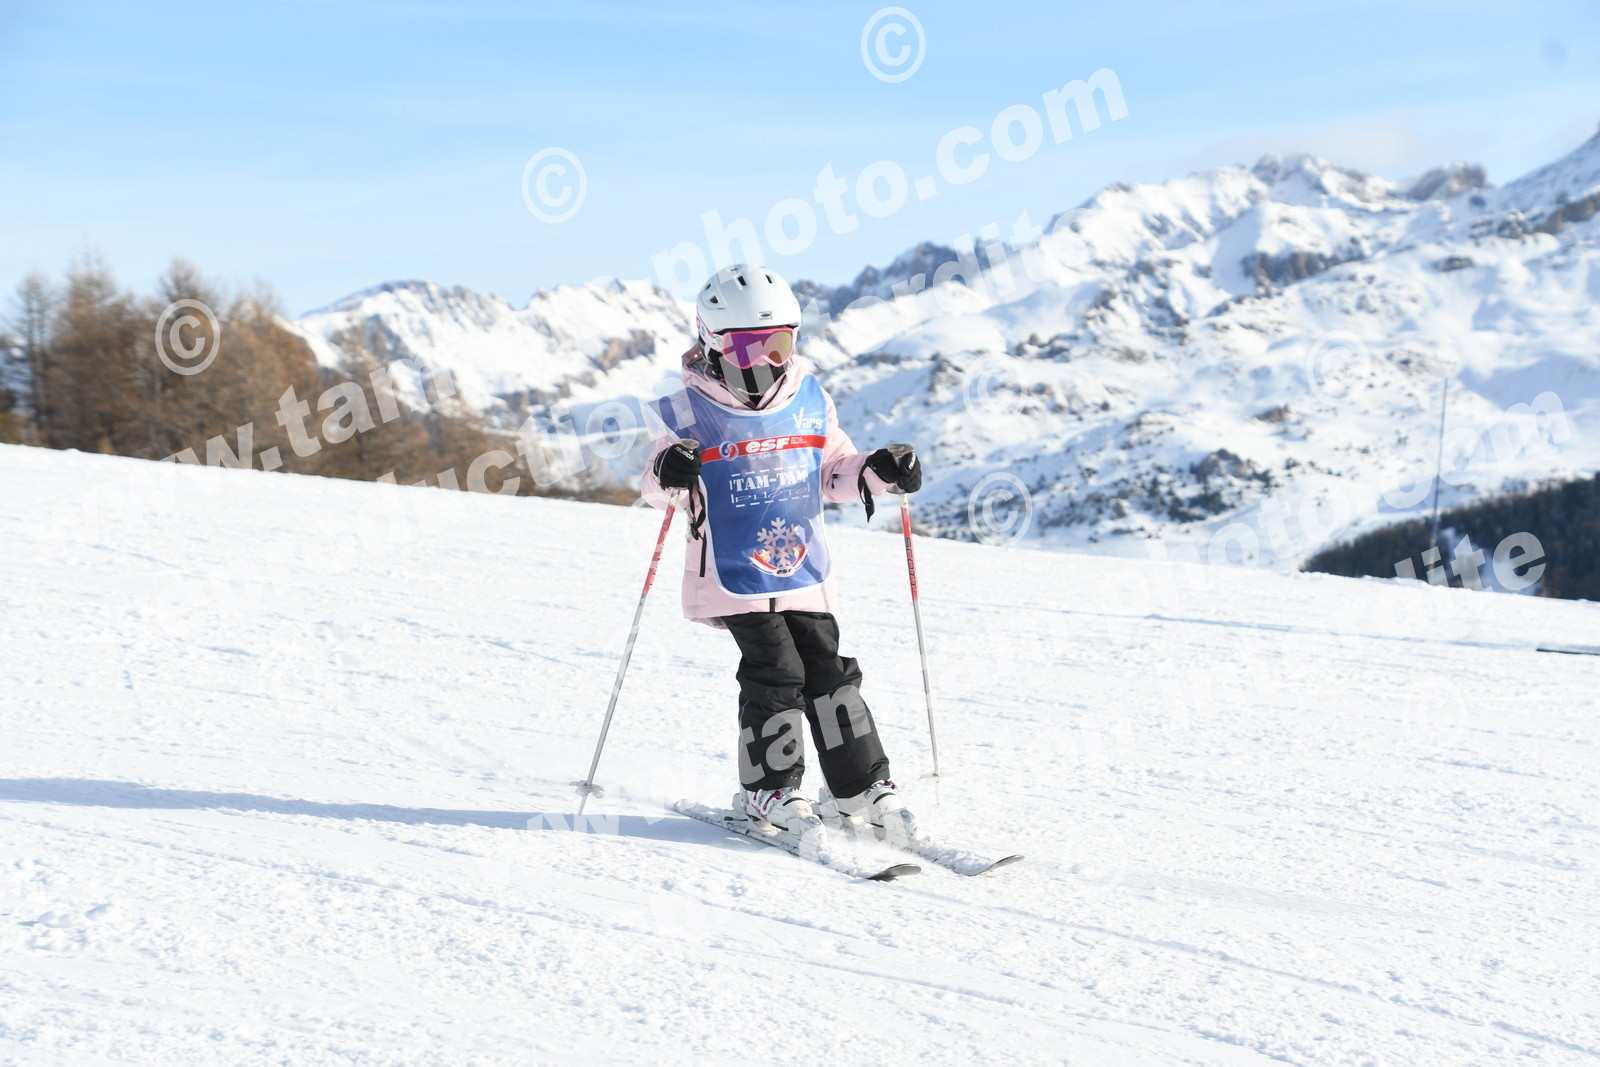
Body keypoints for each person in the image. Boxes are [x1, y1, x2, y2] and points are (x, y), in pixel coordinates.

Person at [640, 264, 924, 845]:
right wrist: (669, 470)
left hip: (802, 568)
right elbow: (658, 488)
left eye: (780, 345)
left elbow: (833, 471)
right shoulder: (684, 411)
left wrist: (877, 471)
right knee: (777, 671)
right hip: (731, 568)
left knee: (829, 670)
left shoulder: (810, 398)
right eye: (748, 347)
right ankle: (767, 790)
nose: (766, 361)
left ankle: (858, 786)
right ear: (712, 342)